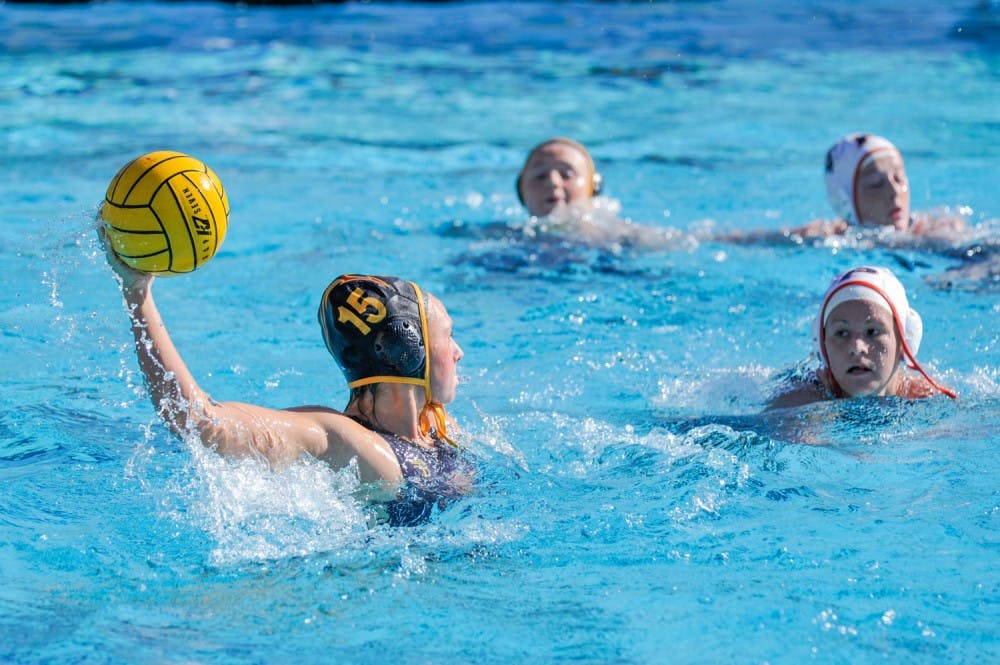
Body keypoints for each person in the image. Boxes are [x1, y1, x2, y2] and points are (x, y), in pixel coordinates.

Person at [104, 237, 472, 525]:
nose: (458, 352)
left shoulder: (437, 427)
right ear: (407, 348)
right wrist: (139, 297)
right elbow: (201, 422)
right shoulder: (350, 443)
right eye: (448, 336)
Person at [718, 133, 968, 245]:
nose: (894, 193)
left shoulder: (942, 229)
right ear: (845, 200)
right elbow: (763, 239)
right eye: (875, 184)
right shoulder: (831, 238)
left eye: (899, 178)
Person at [768, 266, 956, 408]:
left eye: (873, 332)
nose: (857, 347)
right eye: (841, 333)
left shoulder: (928, 399)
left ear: (904, 343)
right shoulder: (803, 399)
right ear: (822, 347)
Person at [514, 137, 687, 250]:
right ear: (522, 192)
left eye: (567, 174)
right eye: (539, 176)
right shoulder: (507, 236)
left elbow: (681, 240)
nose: (553, 182)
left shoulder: (617, 234)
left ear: (593, 187)